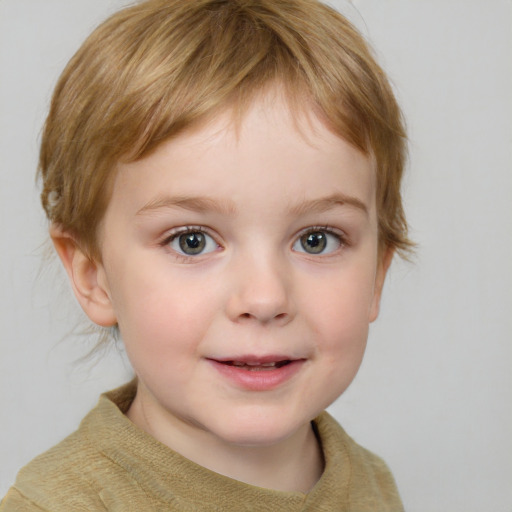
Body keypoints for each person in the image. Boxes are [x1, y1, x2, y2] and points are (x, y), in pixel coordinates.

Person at [1, 0, 412, 510]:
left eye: (316, 239)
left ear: (377, 273)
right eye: (191, 240)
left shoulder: (370, 482)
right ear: (93, 275)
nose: (264, 298)